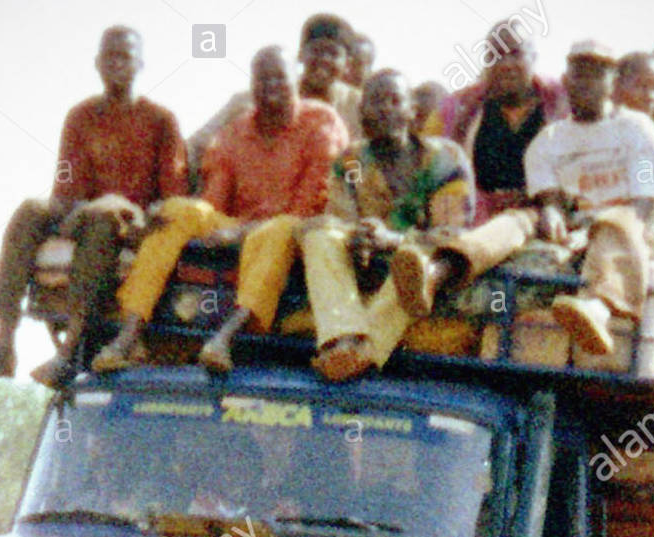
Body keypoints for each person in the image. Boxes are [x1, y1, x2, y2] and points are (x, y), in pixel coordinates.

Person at [0, 27, 185, 385]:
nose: (117, 64)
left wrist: (125, 210)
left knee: (105, 219)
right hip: (85, 213)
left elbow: (173, 196)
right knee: (31, 209)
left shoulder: (161, 120)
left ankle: (70, 349)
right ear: (97, 64)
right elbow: (67, 185)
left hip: (131, 222)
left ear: (140, 63)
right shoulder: (81, 116)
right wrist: (75, 209)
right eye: (110, 57)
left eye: (125, 57)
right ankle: (3, 341)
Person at [93, 46, 347, 373]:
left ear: (294, 81)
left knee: (281, 228)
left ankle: (223, 339)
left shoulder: (321, 121)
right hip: (237, 229)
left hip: (294, 235)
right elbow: (211, 205)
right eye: (262, 79)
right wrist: (200, 221)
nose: (270, 86)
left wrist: (238, 232)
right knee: (179, 210)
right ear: (252, 84)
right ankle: (128, 336)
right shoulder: (235, 130)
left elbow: (309, 206)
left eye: (279, 78)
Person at [293, 69, 483, 381]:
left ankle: (364, 353)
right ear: (361, 111)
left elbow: (452, 234)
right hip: (364, 267)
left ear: (412, 111)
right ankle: (341, 338)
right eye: (376, 101)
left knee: (412, 262)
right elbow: (342, 220)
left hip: (419, 270)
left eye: (395, 100)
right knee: (318, 233)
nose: (385, 109)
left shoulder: (445, 158)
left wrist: (391, 239)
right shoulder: (351, 161)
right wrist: (359, 236)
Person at [522, 41, 654, 356]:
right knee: (514, 221)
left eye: (597, 75)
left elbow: (645, 205)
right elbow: (550, 198)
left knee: (620, 220)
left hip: (630, 226)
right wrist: (552, 212)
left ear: (613, 83)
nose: (586, 84)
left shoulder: (637, 130)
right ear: (566, 81)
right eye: (579, 75)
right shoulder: (548, 141)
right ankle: (441, 267)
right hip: (576, 227)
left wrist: (593, 232)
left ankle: (598, 309)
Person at [186, 16, 361, 185]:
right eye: (316, 51)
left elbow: (363, 164)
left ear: (347, 64)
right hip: (255, 197)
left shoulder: (357, 107)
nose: (323, 59)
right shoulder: (253, 99)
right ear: (300, 55)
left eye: (333, 53)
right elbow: (195, 146)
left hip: (323, 201)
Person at [439, 26, 566, 221]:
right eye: (495, 56)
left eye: (515, 54)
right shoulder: (460, 109)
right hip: (479, 220)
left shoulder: (563, 104)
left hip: (550, 217)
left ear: (534, 58)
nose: (506, 64)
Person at [614, 51, 654, 119]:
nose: (650, 96)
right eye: (643, 86)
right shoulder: (602, 126)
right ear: (618, 85)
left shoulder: (650, 128)